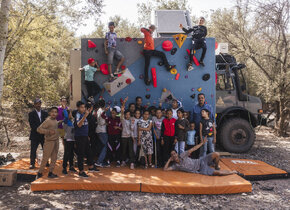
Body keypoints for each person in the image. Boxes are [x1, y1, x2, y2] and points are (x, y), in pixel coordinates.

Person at [164, 139, 239, 176]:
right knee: (218, 173)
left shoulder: (183, 155)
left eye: (175, 154)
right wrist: (169, 160)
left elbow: (193, 149)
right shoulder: (176, 166)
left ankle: (216, 166)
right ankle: (233, 172)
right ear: (172, 158)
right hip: (200, 169)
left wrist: (202, 143)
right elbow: (165, 170)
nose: (174, 155)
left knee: (217, 154)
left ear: (177, 154)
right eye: (172, 155)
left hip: (201, 160)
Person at [74, 101, 99, 178]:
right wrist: (85, 115)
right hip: (79, 136)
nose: (83, 108)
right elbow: (79, 125)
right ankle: (81, 171)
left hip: (85, 136)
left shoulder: (83, 114)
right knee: (81, 154)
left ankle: (91, 167)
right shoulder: (78, 115)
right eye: (81, 107)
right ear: (78, 108)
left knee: (89, 151)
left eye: (84, 107)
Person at [36, 107, 60, 179]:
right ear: (49, 113)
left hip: (56, 141)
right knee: (45, 158)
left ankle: (50, 173)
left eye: (55, 112)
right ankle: (39, 173)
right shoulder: (48, 121)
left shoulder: (55, 120)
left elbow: (53, 126)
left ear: (57, 113)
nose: (54, 113)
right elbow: (39, 129)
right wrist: (48, 132)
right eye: (52, 112)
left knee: (54, 158)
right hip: (49, 142)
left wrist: (60, 122)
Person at [28, 98, 48, 169]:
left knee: (45, 149)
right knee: (33, 150)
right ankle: (32, 163)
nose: (38, 105)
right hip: (35, 135)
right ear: (34, 105)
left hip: (43, 135)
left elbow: (47, 124)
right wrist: (39, 130)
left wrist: (44, 131)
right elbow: (32, 125)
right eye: (36, 104)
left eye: (39, 103)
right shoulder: (31, 114)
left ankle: (46, 162)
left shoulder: (45, 113)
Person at [95, 99, 110, 167]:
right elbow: (102, 121)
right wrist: (107, 123)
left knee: (102, 146)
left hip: (98, 129)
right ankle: (99, 161)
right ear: (104, 104)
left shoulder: (98, 110)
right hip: (102, 130)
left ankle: (101, 160)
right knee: (104, 146)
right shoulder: (102, 111)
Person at [120, 102, 135, 169]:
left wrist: (132, 137)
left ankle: (132, 163)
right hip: (124, 137)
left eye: (129, 114)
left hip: (129, 137)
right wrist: (123, 106)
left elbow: (132, 129)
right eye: (127, 114)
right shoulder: (123, 120)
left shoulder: (131, 120)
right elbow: (121, 115)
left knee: (131, 150)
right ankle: (123, 161)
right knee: (123, 150)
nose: (128, 116)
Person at [62, 109, 77, 174]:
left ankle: (71, 166)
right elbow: (65, 117)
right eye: (70, 113)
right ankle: (64, 168)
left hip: (72, 140)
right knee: (66, 154)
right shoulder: (66, 121)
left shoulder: (71, 121)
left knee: (71, 154)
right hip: (67, 139)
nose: (71, 114)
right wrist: (64, 108)